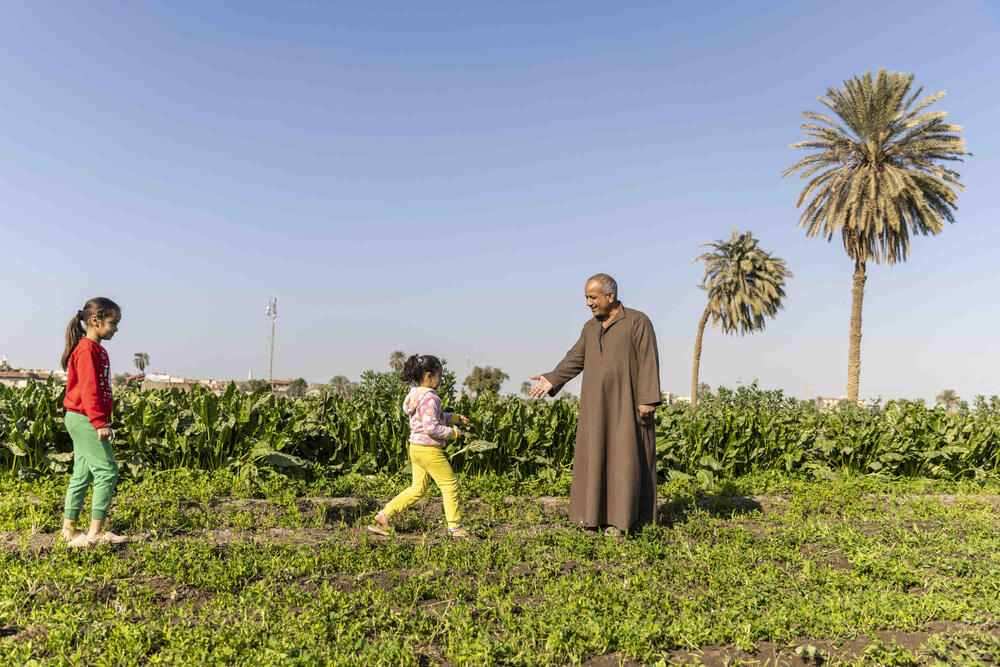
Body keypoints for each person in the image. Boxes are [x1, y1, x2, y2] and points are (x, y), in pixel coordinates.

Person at [529, 274, 661, 535]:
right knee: (595, 457)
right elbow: (575, 358)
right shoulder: (590, 328)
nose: (588, 303)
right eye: (587, 298)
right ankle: (592, 518)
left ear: (610, 297)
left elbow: (648, 359)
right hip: (595, 407)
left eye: (593, 297)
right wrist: (552, 378)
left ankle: (623, 521)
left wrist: (647, 398)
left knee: (627, 460)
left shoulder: (637, 321)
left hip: (628, 404)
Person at [370, 354, 471, 538]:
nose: (440, 380)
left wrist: (454, 418)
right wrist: (453, 432)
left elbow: (432, 416)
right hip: (429, 449)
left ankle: (384, 515)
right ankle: (455, 528)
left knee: (417, 488)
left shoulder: (415, 395)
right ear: (428, 375)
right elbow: (432, 428)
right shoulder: (430, 398)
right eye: (439, 376)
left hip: (415, 448)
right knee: (449, 485)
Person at [60, 297, 128, 548]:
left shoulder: (95, 349)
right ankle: (95, 533)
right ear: (95, 320)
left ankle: (68, 531)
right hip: (86, 417)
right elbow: (89, 389)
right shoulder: (87, 349)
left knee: (82, 473)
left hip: (79, 417)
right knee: (107, 471)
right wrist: (100, 422)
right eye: (113, 323)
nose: (117, 328)